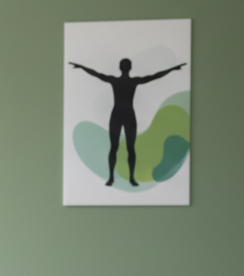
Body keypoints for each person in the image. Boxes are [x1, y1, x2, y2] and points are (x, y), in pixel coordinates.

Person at [69, 59, 187, 187]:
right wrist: (172, 69)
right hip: (129, 116)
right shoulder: (133, 81)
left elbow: (96, 74)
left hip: (116, 116)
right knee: (130, 149)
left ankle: (111, 178)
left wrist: (81, 67)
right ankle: (131, 178)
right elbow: (154, 76)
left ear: (120, 67)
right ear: (130, 67)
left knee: (114, 148)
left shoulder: (114, 80)